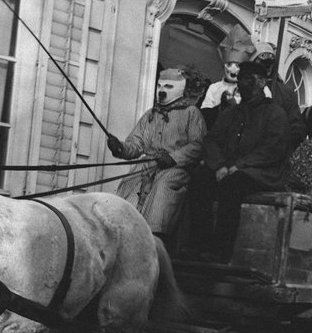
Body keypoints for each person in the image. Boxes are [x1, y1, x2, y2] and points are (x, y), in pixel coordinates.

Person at [186, 59, 290, 262]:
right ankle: (198, 243)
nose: (242, 83)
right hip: (226, 168)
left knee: (231, 186)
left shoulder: (275, 113)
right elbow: (212, 139)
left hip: (261, 173)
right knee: (199, 180)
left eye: (249, 79)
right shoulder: (231, 113)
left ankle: (220, 251)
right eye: (241, 79)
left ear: (261, 83)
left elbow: (273, 149)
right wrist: (219, 165)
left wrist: (239, 165)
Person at [107, 68, 206, 246]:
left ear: (181, 89)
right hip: (149, 163)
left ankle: (155, 237)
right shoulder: (150, 115)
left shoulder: (191, 113)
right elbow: (136, 144)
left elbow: (198, 145)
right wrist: (120, 148)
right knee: (131, 180)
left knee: (164, 185)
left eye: (169, 86)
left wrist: (173, 157)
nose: (162, 90)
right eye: (159, 85)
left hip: (176, 168)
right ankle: (121, 229)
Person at [252, 40, 307, 150]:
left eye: (270, 62)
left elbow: (296, 128)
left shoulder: (286, 92)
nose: (267, 67)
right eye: (262, 62)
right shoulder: (245, 87)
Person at [200, 47, 249, 132]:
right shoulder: (214, 87)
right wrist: (221, 107)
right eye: (229, 64)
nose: (232, 68)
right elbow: (205, 113)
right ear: (224, 66)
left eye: (238, 65)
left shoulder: (249, 88)